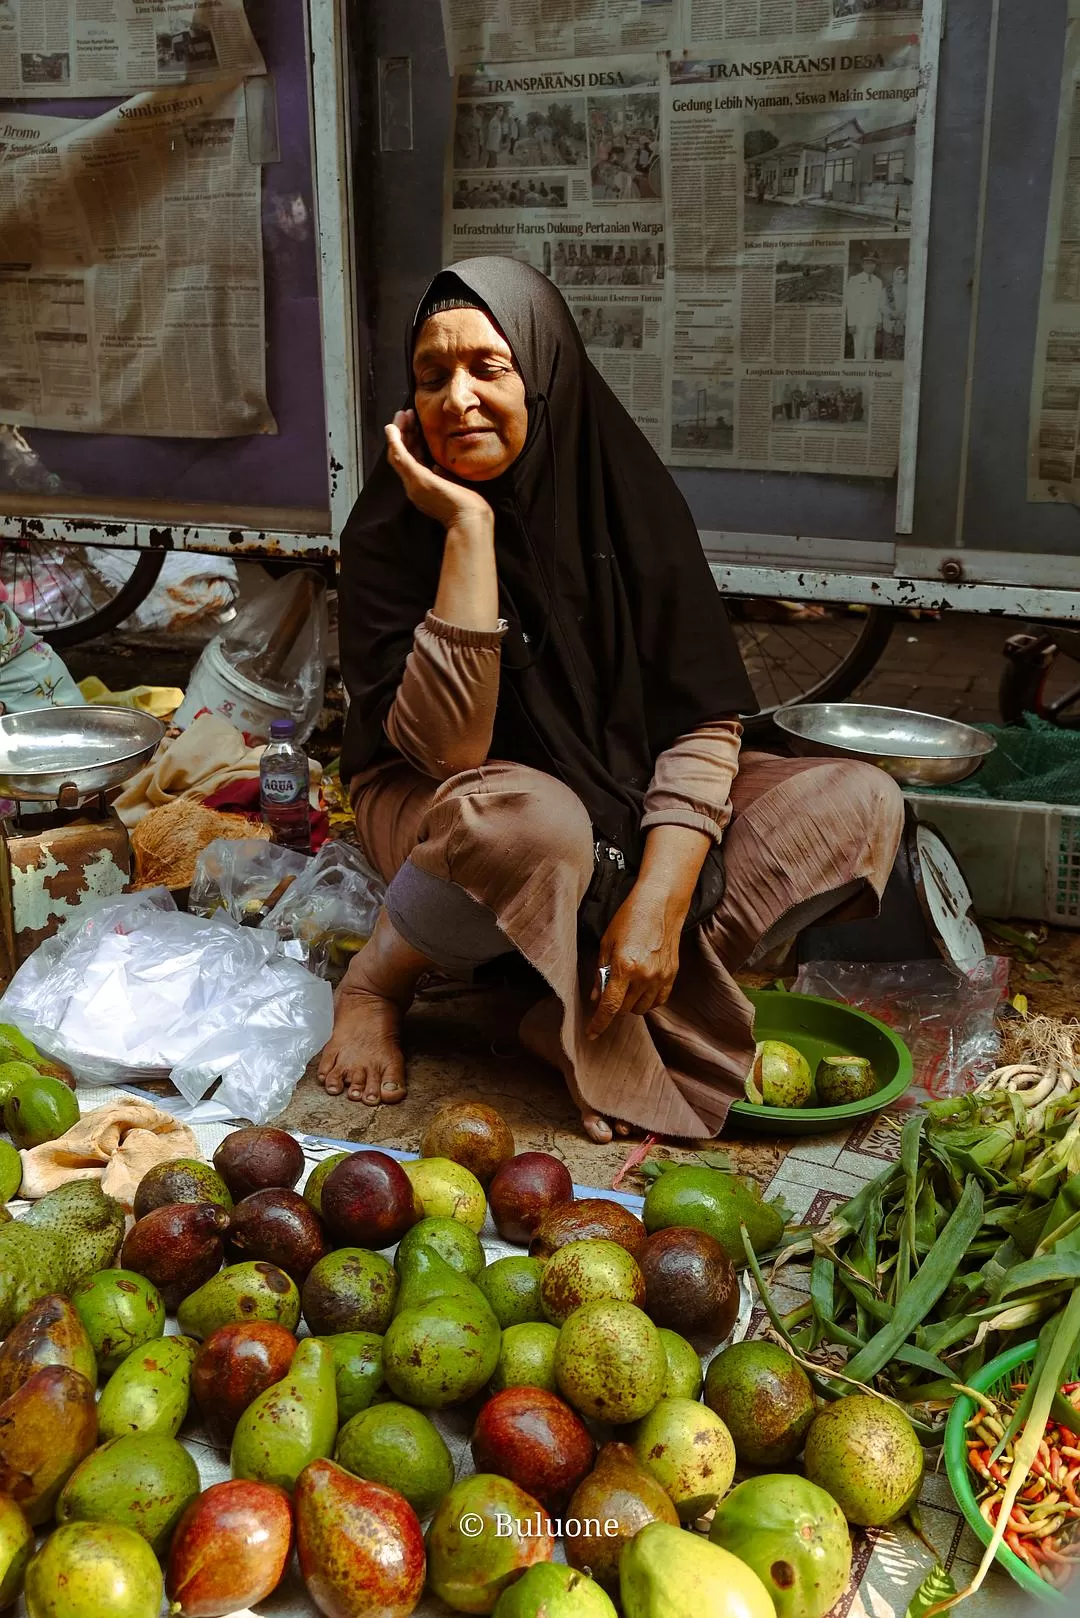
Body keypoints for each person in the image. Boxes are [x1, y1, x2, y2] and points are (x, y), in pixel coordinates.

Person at [325, 259, 904, 1142]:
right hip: (448, 806)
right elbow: (451, 756)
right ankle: (378, 981)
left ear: (547, 369)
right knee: (525, 822)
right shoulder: (389, 529)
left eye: (489, 367)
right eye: (431, 376)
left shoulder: (627, 501)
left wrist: (660, 901)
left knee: (855, 801)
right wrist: (468, 533)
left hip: (618, 792)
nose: (457, 399)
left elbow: (700, 717)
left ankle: (568, 1006)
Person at [845, 249, 885, 361]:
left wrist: (879, 320)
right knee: (859, 350)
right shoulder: (854, 280)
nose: (870, 266)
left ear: (875, 265)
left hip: (872, 321)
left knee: (871, 348)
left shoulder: (878, 281)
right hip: (859, 323)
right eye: (867, 263)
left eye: (872, 263)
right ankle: (859, 374)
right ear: (862, 265)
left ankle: (869, 373)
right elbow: (850, 303)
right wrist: (851, 323)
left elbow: (879, 303)